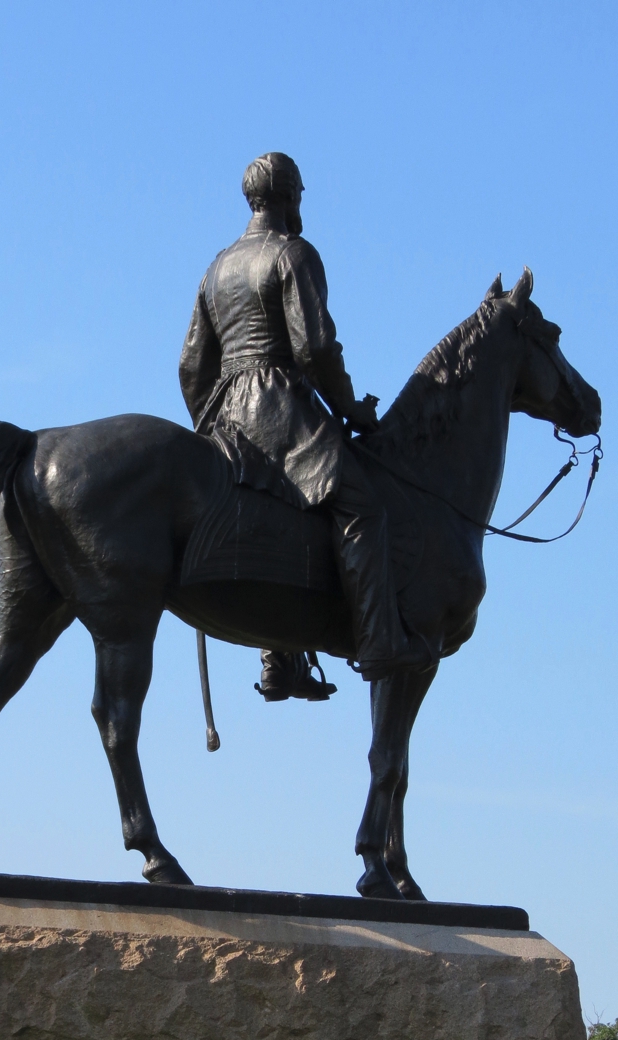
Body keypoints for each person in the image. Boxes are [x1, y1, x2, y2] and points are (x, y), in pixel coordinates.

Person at [179, 152, 432, 682]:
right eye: (300, 195)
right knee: (362, 505)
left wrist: (210, 423)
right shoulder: (292, 253)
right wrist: (350, 408)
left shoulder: (216, 266)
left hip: (227, 412)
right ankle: (380, 641)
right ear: (290, 197)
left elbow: (189, 365)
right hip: (278, 406)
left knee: (281, 509)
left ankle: (279, 653)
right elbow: (315, 347)